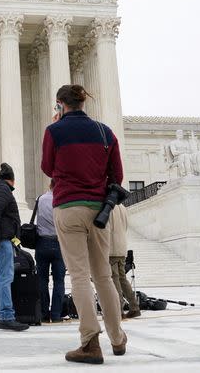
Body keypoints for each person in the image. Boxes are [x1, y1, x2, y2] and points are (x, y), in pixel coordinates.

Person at [41, 84, 127, 364]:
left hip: (68, 207)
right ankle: (117, 338)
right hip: (99, 211)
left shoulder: (54, 131)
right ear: (82, 103)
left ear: (60, 104)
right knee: (103, 275)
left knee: (79, 276)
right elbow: (118, 174)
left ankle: (90, 342)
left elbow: (46, 166)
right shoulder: (105, 132)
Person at [0, 163, 28, 331]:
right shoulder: (2, 190)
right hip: (0, 240)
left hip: (0, 239)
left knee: (2, 276)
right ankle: (7, 316)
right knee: (5, 277)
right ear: (12, 180)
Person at [35, 179, 66, 323]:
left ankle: (43, 313)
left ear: (49, 185)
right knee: (59, 281)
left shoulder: (40, 199)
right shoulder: (62, 201)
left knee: (42, 280)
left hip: (41, 243)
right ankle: (56, 314)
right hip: (58, 243)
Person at [109, 204, 140, 320]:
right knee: (122, 278)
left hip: (111, 247)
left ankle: (119, 310)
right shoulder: (122, 206)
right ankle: (134, 307)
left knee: (115, 278)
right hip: (121, 247)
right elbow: (126, 226)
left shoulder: (108, 204)